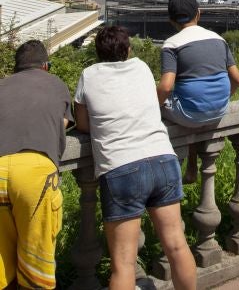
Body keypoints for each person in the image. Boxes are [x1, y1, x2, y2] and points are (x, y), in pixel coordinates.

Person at [74, 25, 196, 290]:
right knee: (176, 245)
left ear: (97, 53)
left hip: (121, 167)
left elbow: (82, 124)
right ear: (128, 49)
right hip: (163, 158)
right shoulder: (141, 67)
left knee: (124, 263)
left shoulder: (88, 75)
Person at [0, 39, 72, 290]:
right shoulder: (56, 85)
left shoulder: (2, 85)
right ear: (45, 66)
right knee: (35, 267)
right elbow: (62, 125)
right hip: (34, 173)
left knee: (2, 261)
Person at [157, 0, 239, 181]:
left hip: (189, 114)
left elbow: (166, 87)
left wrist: (153, 107)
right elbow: (237, 79)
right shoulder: (218, 39)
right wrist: (224, 98)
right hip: (219, 110)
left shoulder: (171, 44)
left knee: (161, 101)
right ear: (198, 13)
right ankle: (193, 167)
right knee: (190, 99)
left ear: (171, 20)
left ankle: (180, 170)